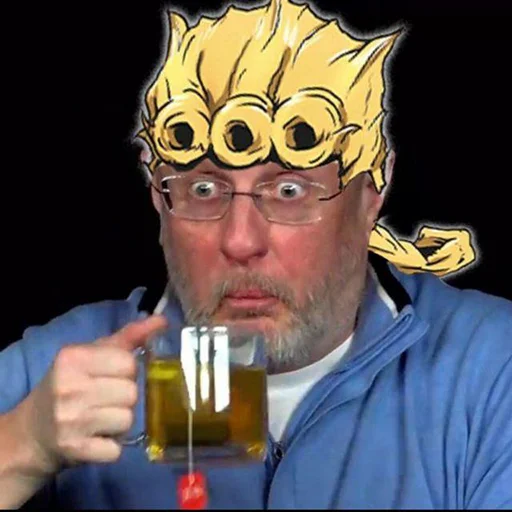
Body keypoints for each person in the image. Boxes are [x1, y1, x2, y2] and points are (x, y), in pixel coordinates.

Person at [1, 0, 511, 509]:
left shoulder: (489, 365)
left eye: (289, 191)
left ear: (371, 193)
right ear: (159, 196)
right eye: (204, 190)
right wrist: (23, 447)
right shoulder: (60, 370)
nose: (241, 242)